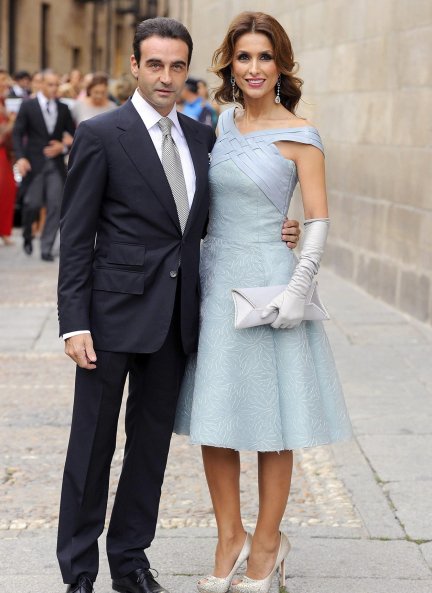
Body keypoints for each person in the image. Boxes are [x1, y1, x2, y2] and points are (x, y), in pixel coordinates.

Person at [56, 16, 300, 593]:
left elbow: (214, 221)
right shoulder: (100, 134)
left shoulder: (201, 139)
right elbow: (76, 234)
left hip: (177, 322)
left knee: (149, 454)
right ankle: (79, 571)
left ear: (186, 70)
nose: (166, 77)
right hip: (110, 319)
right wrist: (74, 323)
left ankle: (131, 563)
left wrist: (280, 228)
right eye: (155, 64)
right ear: (135, 66)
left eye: (176, 66)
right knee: (91, 447)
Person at [174, 11, 352, 593]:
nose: (254, 68)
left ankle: (269, 543)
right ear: (231, 62)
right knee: (216, 416)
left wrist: (298, 287)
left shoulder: (301, 135)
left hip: (272, 285)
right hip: (215, 278)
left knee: (275, 421)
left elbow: (319, 222)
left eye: (265, 57)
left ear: (282, 65)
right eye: (244, 56)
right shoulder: (219, 125)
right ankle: (230, 536)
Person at [12, 69, 75, 260]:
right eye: (50, 84)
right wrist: (21, 158)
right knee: (32, 204)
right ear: (41, 85)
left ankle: (46, 248)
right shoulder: (28, 105)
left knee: (56, 205)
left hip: (55, 165)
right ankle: (27, 235)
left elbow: (73, 136)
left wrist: (63, 147)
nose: (54, 88)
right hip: (34, 164)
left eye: (57, 84)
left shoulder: (64, 108)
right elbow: (17, 134)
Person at [0, 69, 17, 245]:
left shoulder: (4, 102)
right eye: (3, 80)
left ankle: (4, 231)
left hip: (5, 154)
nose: (6, 83)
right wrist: (11, 122)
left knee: (8, 189)